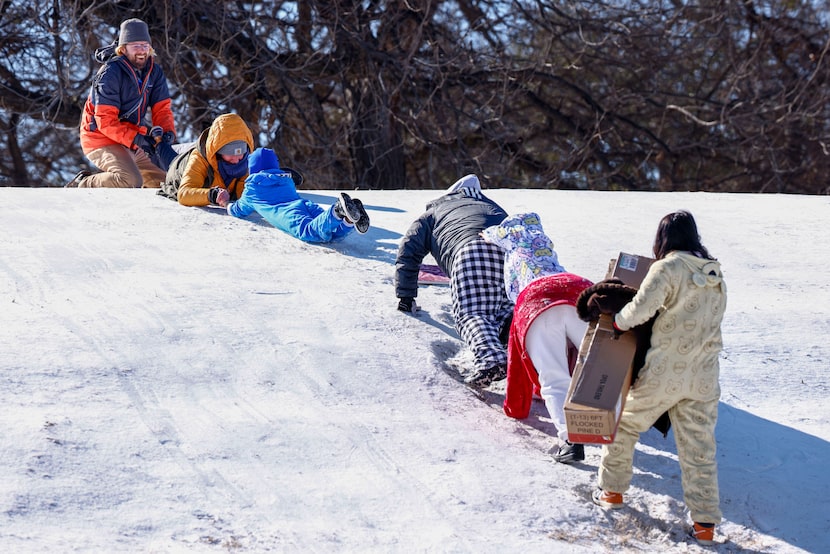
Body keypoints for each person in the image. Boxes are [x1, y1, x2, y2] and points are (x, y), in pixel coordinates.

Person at [591, 210, 726, 547]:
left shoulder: (666, 268)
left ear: (664, 238)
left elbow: (642, 307)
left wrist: (618, 323)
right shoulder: (715, 273)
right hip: (705, 375)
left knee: (624, 425)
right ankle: (705, 525)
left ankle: (612, 493)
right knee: (699, 449)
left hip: (666, 370)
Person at [481, 213, 594, 463]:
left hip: (534, 299)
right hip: (580, 288)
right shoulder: (545, 246)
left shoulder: (515, 267)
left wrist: (515, 408)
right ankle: (618, 427)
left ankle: (570, 440)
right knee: (600, 362)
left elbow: (516, 366)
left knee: (553, 377)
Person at [395, 174, 513, 387]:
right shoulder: (491, 206)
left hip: (471, 251)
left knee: (472, 312)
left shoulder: (433, 213)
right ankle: (520, 345)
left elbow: (408, 251)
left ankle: (491, 359)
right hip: (511, 256)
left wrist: (405, 296)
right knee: (506, 309)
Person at [68, 18, 176, 188]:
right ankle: (83, 183)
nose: (141, 51)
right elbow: (105, 121)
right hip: (100, 138)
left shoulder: (154, 72)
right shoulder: (110, 73)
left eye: (145, 45)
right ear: (123, 49)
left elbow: (162, 109)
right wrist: (137, 140)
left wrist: (167, 133)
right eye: (136, 46)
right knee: (130, 180)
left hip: (131, 138)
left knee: (168, 183)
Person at [226, 147, 370, 241]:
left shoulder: (252, 188)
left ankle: (338, 211)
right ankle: (349, 219)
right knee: (330, 234)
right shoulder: (286, 179)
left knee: (308, 231)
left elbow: (239, 210)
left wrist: (226, 204)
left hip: (288, 213)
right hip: (304, 204)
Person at [167, 113, 255, 207]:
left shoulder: (245, 162)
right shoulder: (199, 158)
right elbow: (184, 194)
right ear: (218, 151)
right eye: (230, 154)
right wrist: (212, 195)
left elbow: (244, 193)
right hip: (176, 170)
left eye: (240, 154)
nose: (236, 160)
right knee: (161, 153)